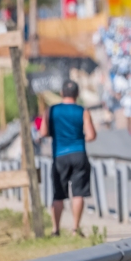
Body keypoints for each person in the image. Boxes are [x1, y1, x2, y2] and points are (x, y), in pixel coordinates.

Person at [39, 80, 97, 237]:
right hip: (79, 154)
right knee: (78, 193)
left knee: (58, 194)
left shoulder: (50, 111)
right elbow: (91, 135)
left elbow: (43, 132)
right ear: (77, 94)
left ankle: (55, 229)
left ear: (62, 93)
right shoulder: (83, 111)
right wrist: (78, 137)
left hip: (59, 155)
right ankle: (75, 229)